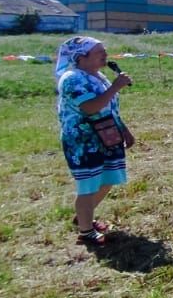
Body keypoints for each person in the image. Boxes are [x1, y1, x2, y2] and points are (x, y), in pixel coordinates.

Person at [55, 36, 135, 246]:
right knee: (88, 185)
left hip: (106, 136)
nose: (105, 55)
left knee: (107, 180)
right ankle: (85, 232)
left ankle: (83, 217)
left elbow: (109, 107)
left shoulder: (97, 76)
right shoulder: (72, 79)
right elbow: (90, 107)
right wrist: (116, 87)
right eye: (100, 52)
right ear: (81, 57)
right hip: (84, 141)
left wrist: (124, 129)